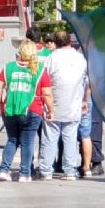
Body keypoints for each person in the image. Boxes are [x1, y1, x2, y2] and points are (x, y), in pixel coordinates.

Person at [0, 40, 53, 182]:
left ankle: (3, 170)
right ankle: (24, 173)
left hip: (11, 108)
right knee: (27, 142)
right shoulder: (39, 69)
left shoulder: (8, 67)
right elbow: (46, 94)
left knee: (12, 140)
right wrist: (50, 110)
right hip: (32, 109)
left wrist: (0, 102)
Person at [37, 31, 88, 181]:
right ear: (70, 42)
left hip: (53, 103)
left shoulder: (51, 58)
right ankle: (70, 170)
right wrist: (84, 100)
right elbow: (85, 81)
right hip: (73, 103)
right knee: (70, 138)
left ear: (55, 42)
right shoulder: (80, 59)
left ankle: (46, 170)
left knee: (49, 138)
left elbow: (44, 79)